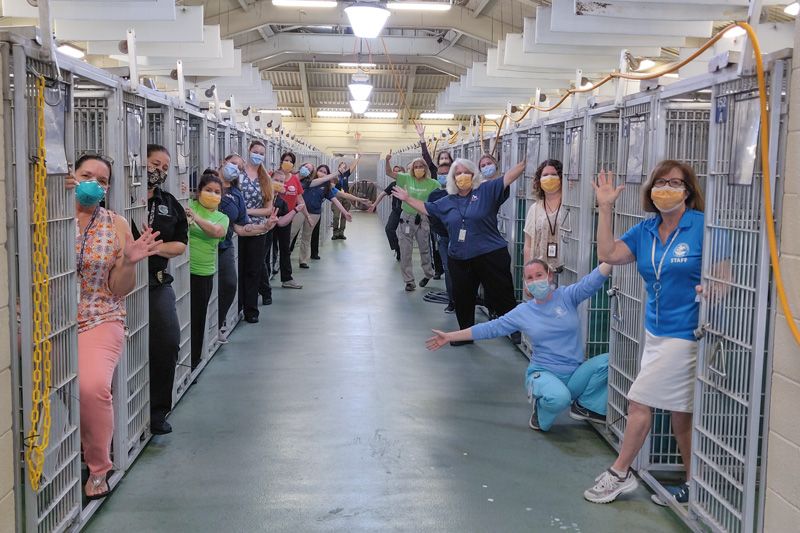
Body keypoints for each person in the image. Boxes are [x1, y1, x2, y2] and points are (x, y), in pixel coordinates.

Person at [583, 160, 726, 506]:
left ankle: (620, 473)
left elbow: (723, 273)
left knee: (639, 401)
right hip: (655, 331)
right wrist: (605, 208)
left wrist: (716, 288)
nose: (667, 189)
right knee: (681, 414)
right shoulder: (646, 230)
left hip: (686, 333)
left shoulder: (702, 227)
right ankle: (696, 488)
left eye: (675, 183)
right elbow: (609, 253)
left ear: (688, 191)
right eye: (660, 182)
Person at [68, 155, 161, 499]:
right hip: (44, 319)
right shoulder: (42, 215)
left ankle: (97, 467)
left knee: (92, 386)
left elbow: (120, 289)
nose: (94, 184)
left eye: (102, 180)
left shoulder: (116, 223)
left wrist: (127, 260)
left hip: (99, 313)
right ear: (70, 177)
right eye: (85, 175)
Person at [427, 260, 613, 431]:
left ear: (549, 275)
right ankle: (539, 414)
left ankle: (584, 406)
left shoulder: (567, 296)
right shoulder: (524, 311)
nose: (535, 281)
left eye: (539, 275)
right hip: (545, 373)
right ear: (525, 283)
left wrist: (613, 257)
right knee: (560, 398)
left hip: (574, 373)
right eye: (530, 278)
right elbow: (491, 328)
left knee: (607, 361)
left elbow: (591, 282)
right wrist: (450, 336)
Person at [393, 158, 525, 338]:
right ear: (453, 179)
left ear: (473, 175)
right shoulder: (447, 201)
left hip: (490, 254)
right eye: (457, 174)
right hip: (460, 257)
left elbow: (508, 177)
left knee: (502, 294)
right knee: (463, 298)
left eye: (465, 172)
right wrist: (407, 198)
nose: (462, 176)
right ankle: (465, 334)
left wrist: (525, 161)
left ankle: (513, 330)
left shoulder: (486, 190)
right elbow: (427, 208)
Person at [134, 144, 188, 436]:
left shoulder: (168, 203)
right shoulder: (115, 197)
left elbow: (181, 242)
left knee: (167, 341)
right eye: (155, 164)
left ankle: (157, 411)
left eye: (165, 168)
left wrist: (157, 248)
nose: (159, 171)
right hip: (119, 284)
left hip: (155, 281)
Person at [217, 155, 278, 340]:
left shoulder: (236, 194)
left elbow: (241, 227)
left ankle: (225, 320)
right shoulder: (209, 183)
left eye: (239, 165)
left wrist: (264, 227)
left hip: (225, 244)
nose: (235, 168)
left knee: (235, 280)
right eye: (233, 163)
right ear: (223, 162)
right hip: (202, 246)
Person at [188, 171, 229, 370]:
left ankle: (193, 363)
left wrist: (194, 218)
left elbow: (216, 232)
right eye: (208, 190)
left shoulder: (222, 217)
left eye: (217, 192)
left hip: (202, 272)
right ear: (198, 192)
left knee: (196, 319)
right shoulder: (187, 204)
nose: (213, 195)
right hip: (179, 271)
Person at [385, 152, 440, 291]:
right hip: (407, 218)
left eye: (421, 166)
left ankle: (428, 273)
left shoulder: (433, 183)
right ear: (412, 169)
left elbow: (439, 200)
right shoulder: (406, 178)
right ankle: (409, 281)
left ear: (425, 168)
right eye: (416, 167)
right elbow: (389, 173)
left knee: (424, 249)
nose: (418, 169)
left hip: (423, 218)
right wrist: (387, 161)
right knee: (405, 250)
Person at [298, 164, 371, 268]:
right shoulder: (308, 181)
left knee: (307, 236)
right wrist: (337, 173)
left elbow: (341, 197)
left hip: (314, 213)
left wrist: (358, 201)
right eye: (320, 171)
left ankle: (303, 260)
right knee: (292, 234)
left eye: (324, 172)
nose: (322, 173)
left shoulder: (327, 187)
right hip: (300, 211)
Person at [238, 140, 274, 322]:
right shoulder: (238, 173)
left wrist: (246, 211)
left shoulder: (265, 178)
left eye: (261, 153)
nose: (258, 155)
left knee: (253, 270)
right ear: (249, 151)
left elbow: (268, 209)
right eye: (255, 151)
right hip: (237, 228)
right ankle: (236, 308)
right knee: (238, 268)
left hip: (258, 230)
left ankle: (251, 310)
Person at [524, 159, 568, 271]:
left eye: (554, 174)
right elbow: (528, 245)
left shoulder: (570, 206)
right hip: (541, 272)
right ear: (539, 180)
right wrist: (528, 275)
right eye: (545, 175)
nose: (549, 178)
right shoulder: (534, 209)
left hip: (568, 270)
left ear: (561, 178)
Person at [427, 161, 455, 313]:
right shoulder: (434, 195)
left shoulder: (458, 193)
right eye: (440, 174)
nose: (443, 176)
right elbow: (430, 213)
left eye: (446, 174)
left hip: (461, 238)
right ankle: (452, 301)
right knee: (449, 270)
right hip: (443, 237)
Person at [369, 164, 405, 261]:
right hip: (396, 211)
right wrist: (374, 204)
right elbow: (383, 194)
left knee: (406, 234)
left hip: (407, 213)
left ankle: (406, 253)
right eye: (395, 171)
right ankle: (397, 249)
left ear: (404, 173)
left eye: (399, 170)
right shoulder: (393, 184)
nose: (397, 173)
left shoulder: (408, 184)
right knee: (389, 229)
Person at [331, 156, 361, 240]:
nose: (343, 168)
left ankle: (341, 233)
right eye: (341, 166)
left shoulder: (346, 174)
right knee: (336, 216)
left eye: (345, 167)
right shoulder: (335, 175)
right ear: (338, 167)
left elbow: (353, 166)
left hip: (346, 196)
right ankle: (335, 233)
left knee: (344, 215)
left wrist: (358, 157)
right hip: (337, 196)